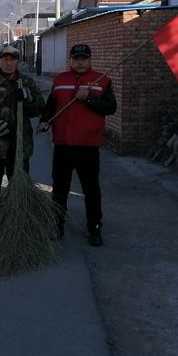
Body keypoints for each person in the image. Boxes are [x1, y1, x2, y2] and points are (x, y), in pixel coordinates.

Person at [38, 43, 117, 246]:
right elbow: (51, 106)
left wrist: (88, 98)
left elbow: (110, 107)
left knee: (91, 189)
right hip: (63, 143)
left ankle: (94, 228)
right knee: (59, 188)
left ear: (90, 59)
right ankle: (57, 225)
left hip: (88, 145)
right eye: (76, 59)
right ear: (70, 60)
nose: (80, 62)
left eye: (84, 58)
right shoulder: (60, 80)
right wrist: (44, 121)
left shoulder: (102, 80)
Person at [0, 45, 44, 235]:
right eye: (5, 59)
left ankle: (18, 220)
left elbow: (38, 109)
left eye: (12, 59)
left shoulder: (26, 82)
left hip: (19, 146)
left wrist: (29, 98)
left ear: (18, 62)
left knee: (18, 185)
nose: (8, 63)